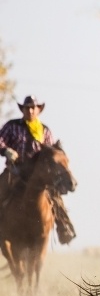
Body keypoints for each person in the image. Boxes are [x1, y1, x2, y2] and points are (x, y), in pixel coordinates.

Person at [0, 95, 76, 243]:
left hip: (38, 174)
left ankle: (64, 227)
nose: (30, 110)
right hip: (15, 171)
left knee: (56, 198)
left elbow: (52, 151)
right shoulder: (12, 126)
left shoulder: (44, 130)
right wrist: (6, 151)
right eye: (27, 107)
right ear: (23, 109)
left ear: (38, 110)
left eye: (33, 107)